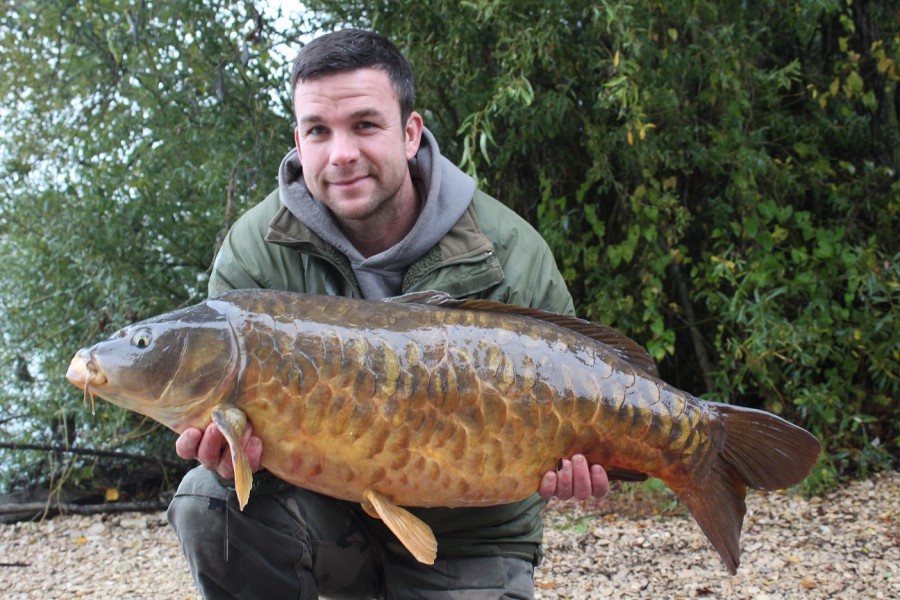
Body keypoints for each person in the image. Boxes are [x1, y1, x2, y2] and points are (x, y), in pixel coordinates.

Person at [167, 28, 609, 599]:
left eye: (365, 125)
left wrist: (578, 462)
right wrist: (230, 454)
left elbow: (582, 383)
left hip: (471, 536)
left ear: (409, 133)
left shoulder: (509, 251)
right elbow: (234, 441)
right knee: (208, 501)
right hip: (323, 519)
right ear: (299, 144)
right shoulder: (255, 252)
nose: (342, 153)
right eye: (318, 131)